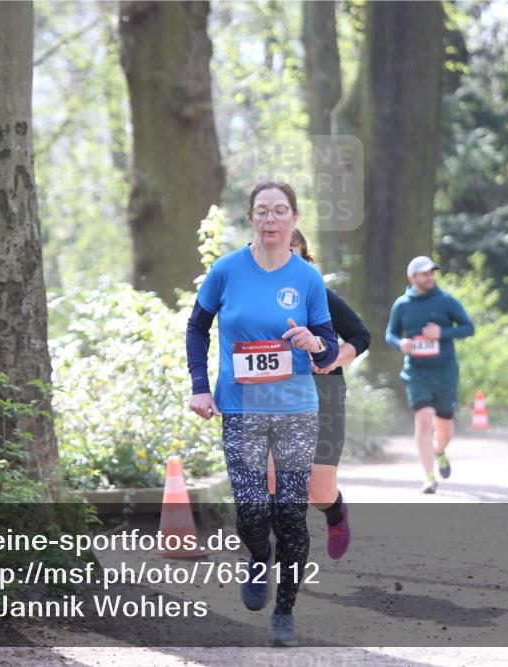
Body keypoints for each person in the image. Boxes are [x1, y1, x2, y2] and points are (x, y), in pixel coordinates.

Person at [186, 181, 339, 646]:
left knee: (291, 513)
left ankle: (285, 613)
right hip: (241, 407)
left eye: (279, 211)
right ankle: (259, 554)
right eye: (262, 211)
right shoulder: (226, 270)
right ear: (251, 218)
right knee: (252, 510)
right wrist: (199, 387)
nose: (271, 219)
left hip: (295, 408)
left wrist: (315, 344)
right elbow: (197, 328)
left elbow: (329, 344)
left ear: (294, 219)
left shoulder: (307, 278)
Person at [267, 229, 371, 560]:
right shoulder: (254, 298)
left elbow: (360, 335)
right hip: (273, 396)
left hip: (323, 395)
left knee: (319, 491)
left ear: (303, 257)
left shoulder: (321, 296)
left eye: (292, 252)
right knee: (270, 477)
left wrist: (332, 360)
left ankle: (336, 516)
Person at [385, 256, 475, 493]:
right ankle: (428, 476)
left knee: (445, 429)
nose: (430, 277)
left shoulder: (446, 301)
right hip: (416, 372)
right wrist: (400, 343)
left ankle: (440, 450)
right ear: (412, 278)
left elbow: (468, 327)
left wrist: (442, 332)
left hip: (445, 371)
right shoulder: (402, 304)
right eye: (425, 274)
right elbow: (390, 334)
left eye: (432, 273)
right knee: (423, 419)